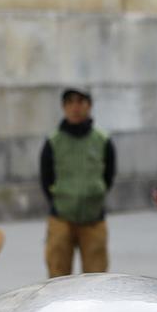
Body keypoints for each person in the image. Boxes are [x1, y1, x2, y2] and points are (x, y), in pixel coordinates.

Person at [40, 88, 114, 278]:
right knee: (58, 276)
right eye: (70, 102)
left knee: (97, 279)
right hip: (61, 217)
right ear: (64, 107)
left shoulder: (102, 140)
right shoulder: (53, 141)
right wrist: (59, 197)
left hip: (93, 217)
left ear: (89, 106)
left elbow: (109, 175)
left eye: (81, 102)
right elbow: (46, 177)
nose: (75, 107)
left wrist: (95, 194)